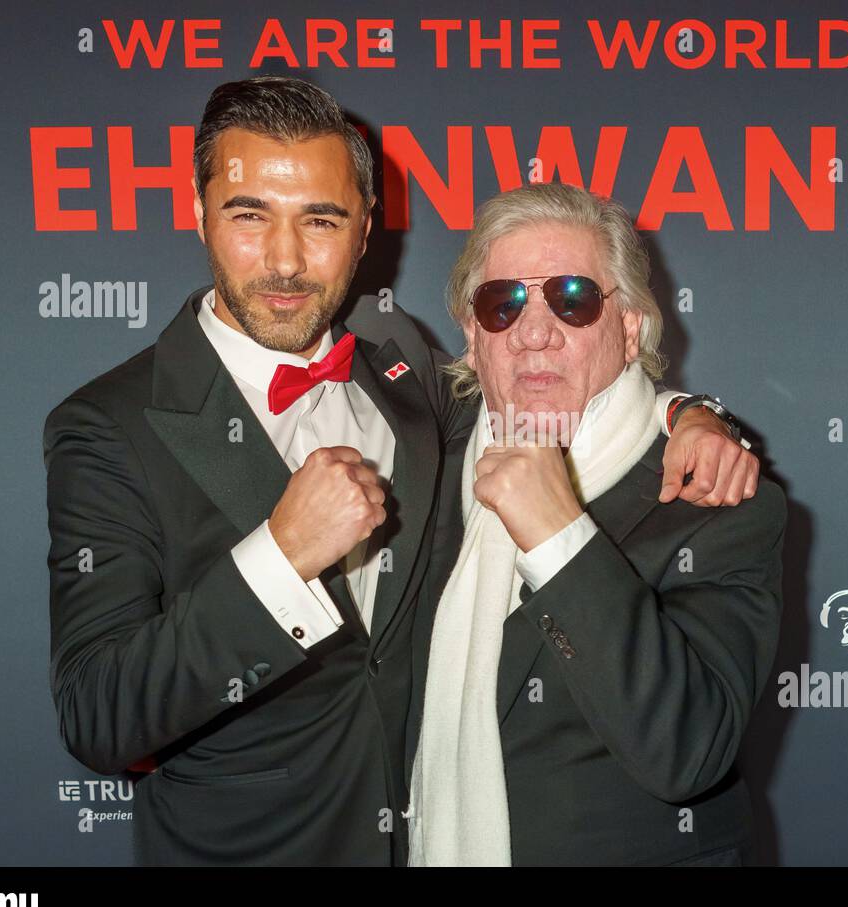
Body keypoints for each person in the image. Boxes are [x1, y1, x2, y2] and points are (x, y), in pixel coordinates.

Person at [42, 76, 761, 865]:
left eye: (321, 219)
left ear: (363, 231)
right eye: (250, 215)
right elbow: (98, 717)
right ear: (199, 213)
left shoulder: (405, 378)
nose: (284, 259)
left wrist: (688, 414)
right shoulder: (109, 425)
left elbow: (563, 390)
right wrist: (280, 558)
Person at [406, 182, 787, 866]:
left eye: (573, 300)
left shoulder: (713, 496)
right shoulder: (428, 460)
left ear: (631, 327)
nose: (534, 332)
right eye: (503, 304)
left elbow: (689, 752)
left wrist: (559, 537)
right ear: (471, 335)